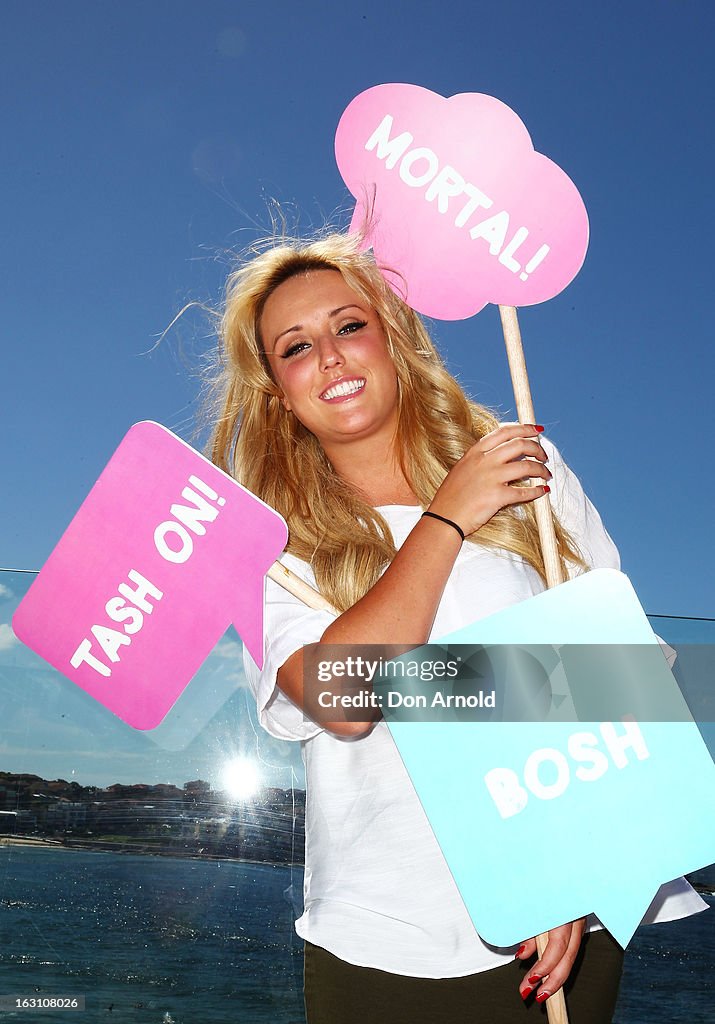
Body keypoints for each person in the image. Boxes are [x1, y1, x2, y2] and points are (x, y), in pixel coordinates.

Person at [208, 231, 706, 1024]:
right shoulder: (262, 544)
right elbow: (339, 697)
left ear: (394, 338)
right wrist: (445, 520)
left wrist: (575, 868)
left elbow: (621, 672)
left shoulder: (520, 467)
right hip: (378, 937)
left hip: (561, 919)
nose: (330, 357)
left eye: (349, 325)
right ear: (275, 388)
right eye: (296, 347)